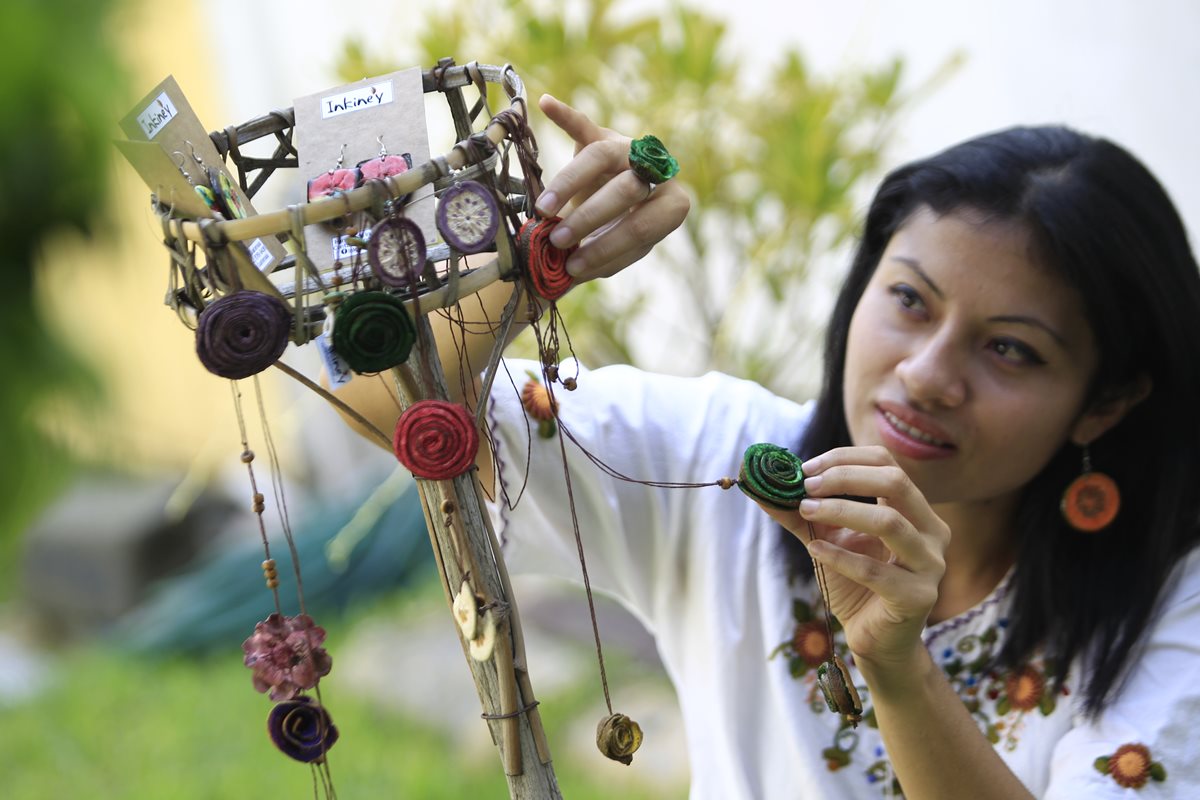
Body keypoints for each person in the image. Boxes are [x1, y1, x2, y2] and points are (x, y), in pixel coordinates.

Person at [333, 95, 1200, 798]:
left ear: (1107, 402)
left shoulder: (1170, 606)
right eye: (910, 300)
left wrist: (897, 671)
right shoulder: (727, 463)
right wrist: (537, 266)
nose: (930, 374)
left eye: (1011, 348)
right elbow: (383, 405)